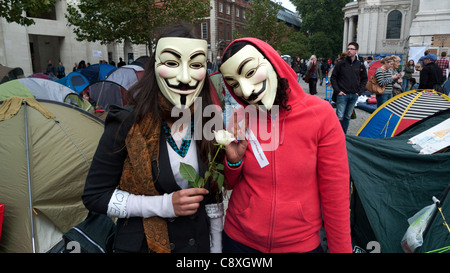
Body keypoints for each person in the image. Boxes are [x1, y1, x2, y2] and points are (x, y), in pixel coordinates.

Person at [82, 23, 224, 253]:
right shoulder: (127, 122)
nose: (185, 76)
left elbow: (214, 195)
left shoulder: (208, 119)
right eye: (171, 63)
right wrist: (164, 206)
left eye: (196, 64)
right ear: (155, 67)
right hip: (145, 245)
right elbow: (95, 196)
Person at [219, 38, 352, 253]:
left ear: (272, 62)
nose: (244, 90)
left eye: (250, 72)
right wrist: (233, 163)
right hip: (240, 241)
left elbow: (336, 195)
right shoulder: (241, 117)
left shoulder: (321, 114)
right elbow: (230, 183)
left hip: (299, 245)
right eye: (234, 84)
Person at [330, 42, 368, 134]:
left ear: (356, 51)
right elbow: (333, 77)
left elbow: (364, 79)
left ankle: (344, 135)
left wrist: (359, 92)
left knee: (347, 116)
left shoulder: (360, 65)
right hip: (342, 94)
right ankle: (336, 135)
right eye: (348, 49)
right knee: (339, 116)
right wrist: (338, 91)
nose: (349, 51)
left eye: (351, 49)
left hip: (354, 95)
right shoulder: (341, 64)